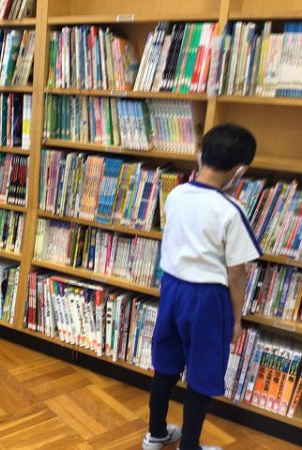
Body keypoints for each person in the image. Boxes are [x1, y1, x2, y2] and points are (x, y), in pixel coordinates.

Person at [142, 124, 262, 450]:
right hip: (207, 299)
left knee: (165, 365)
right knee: (201, 373)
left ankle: (155, 434)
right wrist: (236, 320)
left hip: (171, 290)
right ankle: (190, 445)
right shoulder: (231, 211)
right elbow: (236, 274)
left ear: (199, 156)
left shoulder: (176, 194)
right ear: (240, 171)